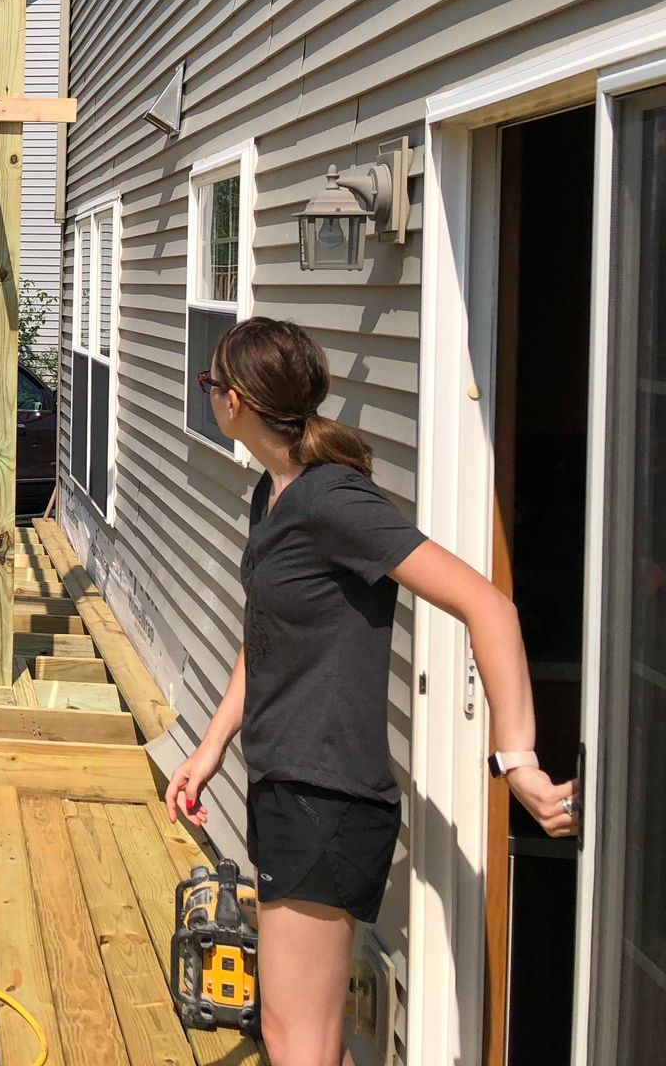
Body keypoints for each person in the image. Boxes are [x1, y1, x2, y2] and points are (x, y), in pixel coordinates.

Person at [164, 317, 576, 1066]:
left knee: (295, 1037)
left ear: (240, 401)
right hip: (287, 786)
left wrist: (517, 762)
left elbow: (489, 605)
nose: (209, 394)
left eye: (211, 382)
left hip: (327, 799)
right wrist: (211, 746)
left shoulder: (333, 502)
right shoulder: (275, 493)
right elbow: (266, 638)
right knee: (304, 1033)